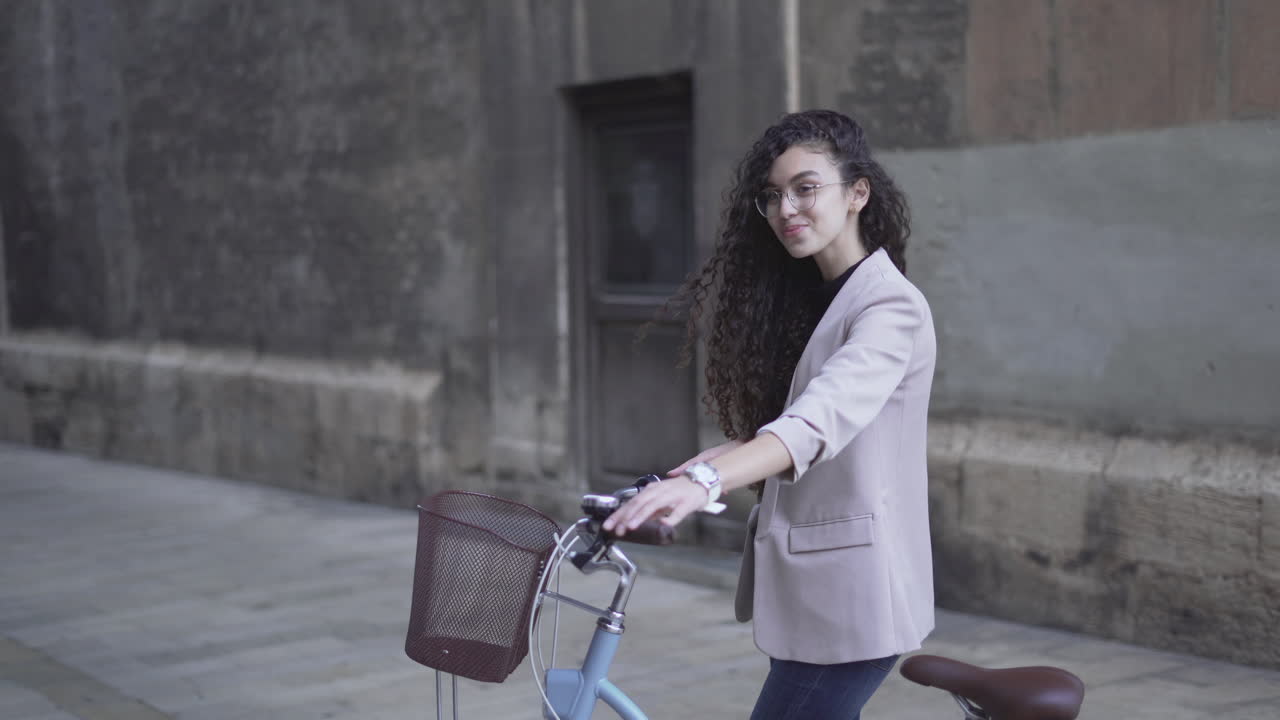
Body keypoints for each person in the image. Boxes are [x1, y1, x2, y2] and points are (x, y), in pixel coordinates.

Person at [603, 109, 936, 719]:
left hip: (853, 598)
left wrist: (706, 482)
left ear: (857, 192)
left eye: (806, 188)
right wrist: (695, 471)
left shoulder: (889, 307)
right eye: (773, 195)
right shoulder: (817, 297)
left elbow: (814, 425)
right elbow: (782, 429)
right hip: (819, 591)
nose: (787, 209)